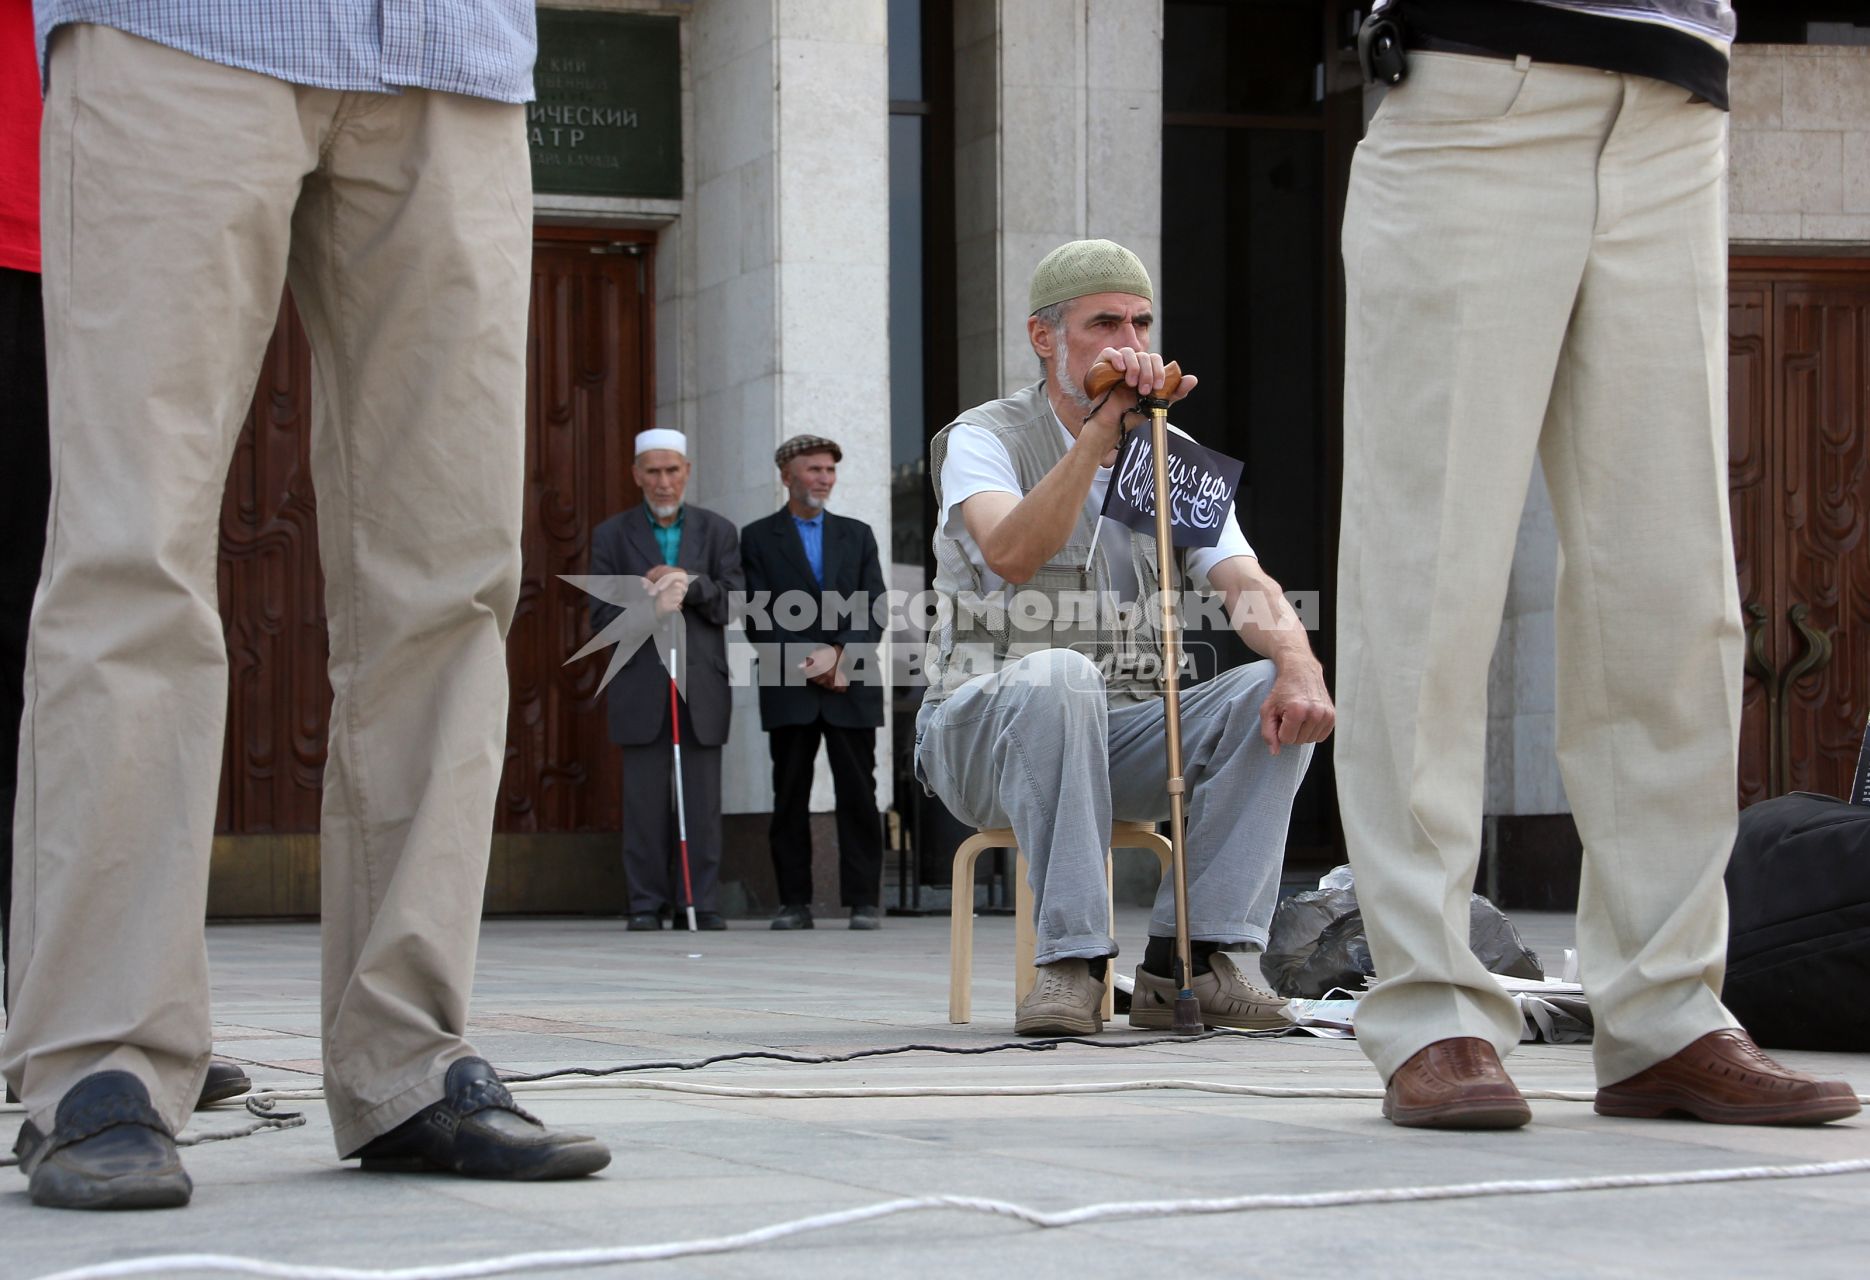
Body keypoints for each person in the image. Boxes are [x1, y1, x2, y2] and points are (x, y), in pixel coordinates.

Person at [4, 4, 611, 1211]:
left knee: (451, 575)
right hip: (172, 32)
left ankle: (408, 1053)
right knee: (133, 547)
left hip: (452, 52)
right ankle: (101, 1059)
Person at [1337, 0, 1858, 1129]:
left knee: (1672, 594)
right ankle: (1430, 1002)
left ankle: (1665, 1010)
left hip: (1676, 109)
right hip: (1475, 83)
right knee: (1427, 581)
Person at [915, 238, 1336, 1036]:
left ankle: (1194, 961)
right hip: (983, 733)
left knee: (1265, 693)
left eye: (1142, 324)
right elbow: (1009, 554)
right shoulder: (984, 437)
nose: (1131, 346)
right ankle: (1070, 964)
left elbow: (1245, 580)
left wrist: (1298, 666)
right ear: (1046, 338)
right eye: (1105, 323)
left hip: (1122, 731)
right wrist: (1098, 439)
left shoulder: (1167, 453)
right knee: (1059, 675)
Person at [589, 429, 743, 932]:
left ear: (687, 472)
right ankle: (645, 903)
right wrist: (649, 600)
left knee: (701, 802)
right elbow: (599, 615)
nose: (663, 482)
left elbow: (733, 601)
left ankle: (699, 901)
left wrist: (686, 584)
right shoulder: (612, 535)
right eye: (652, 472)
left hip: (699, 684)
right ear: (637, 475)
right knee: (645, 804)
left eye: (671, 470)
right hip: (641, 684)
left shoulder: (718, 530)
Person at [740, 435, 888, 931]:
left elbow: (875, 605)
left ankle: (865, 901)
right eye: (813, 469)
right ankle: (793, 903)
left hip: (852, 681)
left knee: (859, 795)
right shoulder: (758, 538)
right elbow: (758, 616)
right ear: (787, 475)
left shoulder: (859, 534)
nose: (823, 478)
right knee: (789, 796)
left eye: (829, 470)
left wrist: (842, 655)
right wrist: (816, 659)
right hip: (791, 685)